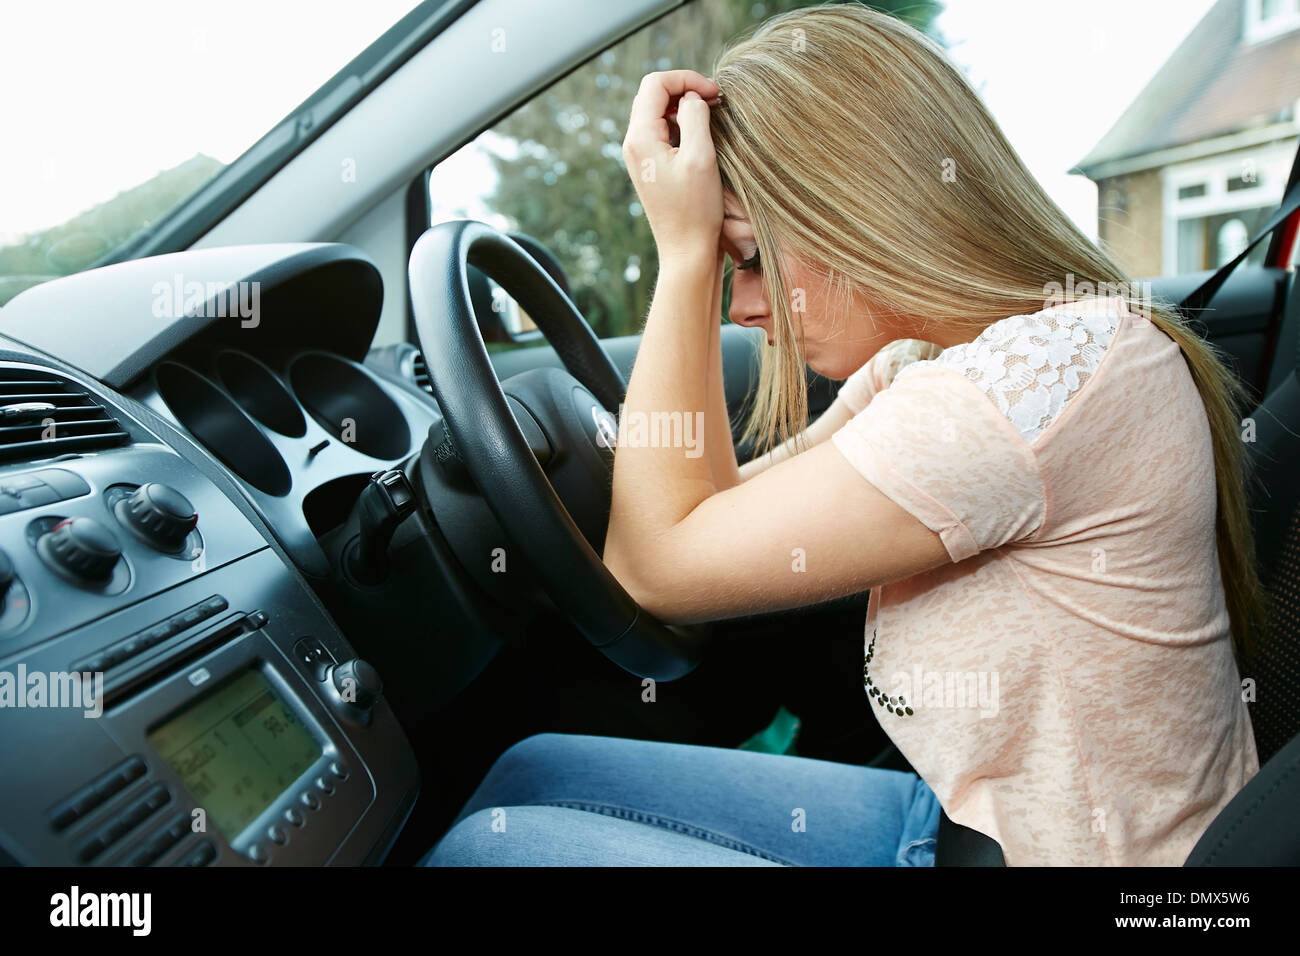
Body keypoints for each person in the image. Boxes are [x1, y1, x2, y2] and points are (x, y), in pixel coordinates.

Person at [426, 3, 1261, 866]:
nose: (745, 312)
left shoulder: (1030, 385)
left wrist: (682, 256)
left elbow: (655, 567)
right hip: (962, 826)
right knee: (531, 775)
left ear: (862, 210)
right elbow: (715, 514)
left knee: (483, 855)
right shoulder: (924, 368)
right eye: (724, 265)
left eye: (746, 259)